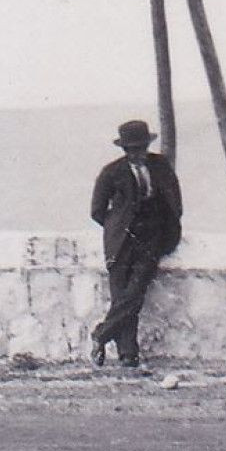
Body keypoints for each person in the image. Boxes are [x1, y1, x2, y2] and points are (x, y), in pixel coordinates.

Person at [88, 119, 183, 368]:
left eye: (141, 148)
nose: (137, 154)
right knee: (122, 294)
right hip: (121, 241)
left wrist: (166, 229)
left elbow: (174, 199)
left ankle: (102, 333)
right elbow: (97, 210)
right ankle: (128, 354)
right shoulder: (111, 172)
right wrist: (117, 226)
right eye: (132, 149)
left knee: (135, 291)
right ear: (124, 150)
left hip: (151, 237)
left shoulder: (160, 166)